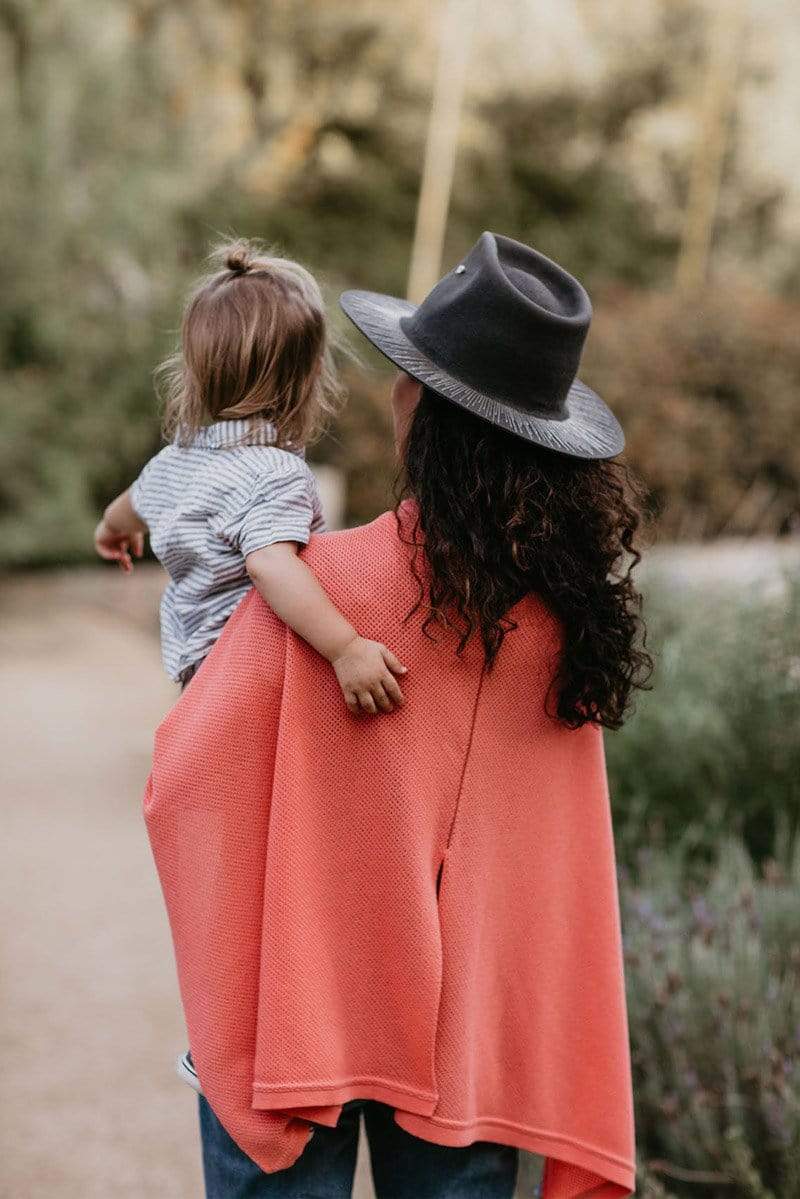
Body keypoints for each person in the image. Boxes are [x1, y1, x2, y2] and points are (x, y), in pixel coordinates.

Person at [143, 232, 653, 1199]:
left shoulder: (321, 590)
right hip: (467, 1058)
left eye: (404, 375)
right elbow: (553, 880)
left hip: (295, 1028)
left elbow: (184, 784)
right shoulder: (563, 637)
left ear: (421, 409)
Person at [93, 239, 407, 715]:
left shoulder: (174, 462)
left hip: (196, 671)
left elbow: (128, 507)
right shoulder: (275, 472)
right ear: (309, 377)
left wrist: (112, 532)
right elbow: (270, 565)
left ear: (195, 374)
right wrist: (345, 649)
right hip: (252, 672)